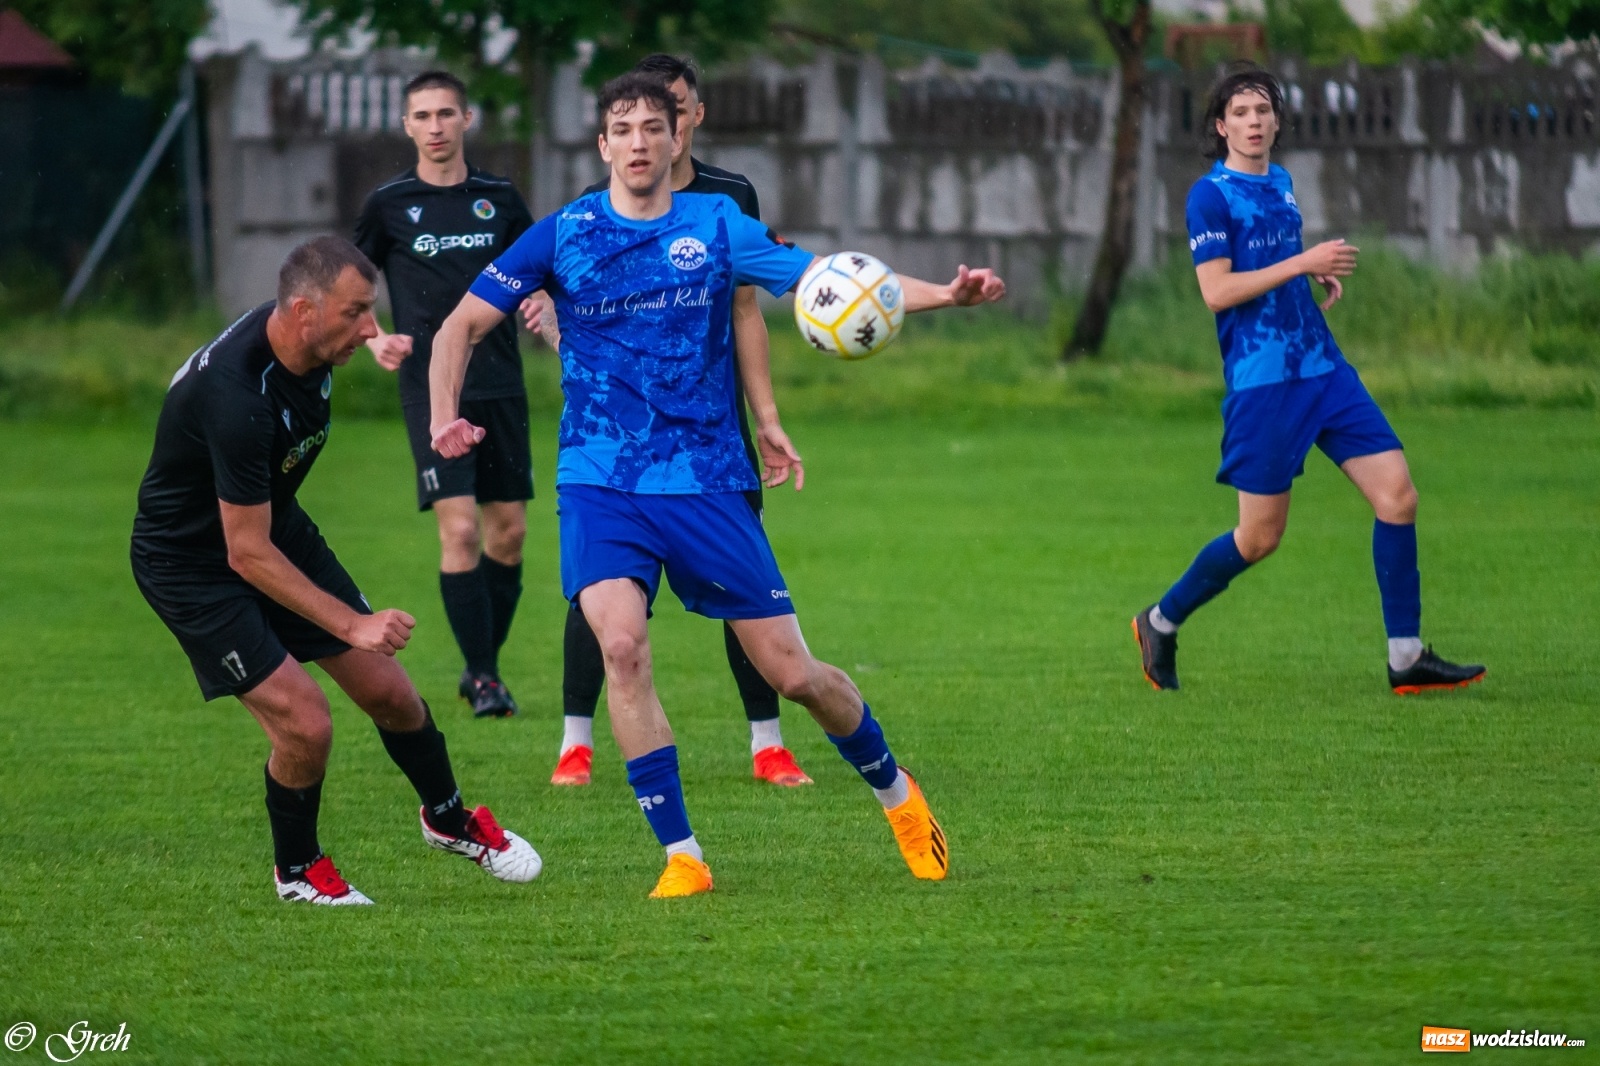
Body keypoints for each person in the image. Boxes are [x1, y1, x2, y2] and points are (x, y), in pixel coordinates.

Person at [430, 74, 1005, 898]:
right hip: (600, 480)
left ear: (676, 140)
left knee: (794, 674)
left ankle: (898, 796)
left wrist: (945, 294)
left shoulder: (717, 225)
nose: (636, 141)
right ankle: (684, 856)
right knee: (622, 646)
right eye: (620, 128)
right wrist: (442, 416)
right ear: (602, 147)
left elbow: (830, 283)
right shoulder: (564, 235)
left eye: (650, 128)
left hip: (706, 478)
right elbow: (461, 323)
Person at [130, 236, 541, 905]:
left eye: (369, 311)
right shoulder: (238, 396)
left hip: (272, 524)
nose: (368, 327)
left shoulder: (305, 339)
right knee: (307, 722)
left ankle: (447, 818)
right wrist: (352, 622)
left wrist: (371, 341)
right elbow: (245, 553)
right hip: (192, 563)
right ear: (302, 313)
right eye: (356, 315)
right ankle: (297, 872)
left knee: (392, 693)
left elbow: (265, 530)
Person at [1131, 65, 1485, 696]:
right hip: (1264, 385)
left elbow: (1269, 264)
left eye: (1264, 110)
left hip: (1323, 368)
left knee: (1398, 496)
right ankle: (1160, 620)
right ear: (1221, 126)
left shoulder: (1284, 182)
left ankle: (1406, 657)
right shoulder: (1208, 197)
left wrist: (1308, 278)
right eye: (1240, 112)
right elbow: (1216, 292)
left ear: (1277, 121)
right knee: (1260, 537)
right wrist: (1304, 260)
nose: (1254, 122)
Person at [527, 53, 811, 789]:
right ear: (611, 139)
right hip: (613, 445)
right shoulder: (599, 205)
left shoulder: (728, 198)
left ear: (691, 120)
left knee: (741, 594)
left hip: (710, 433)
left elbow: (748, 308)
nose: (654, 132)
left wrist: (767, 415)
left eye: (670, 113)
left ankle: (768, 742)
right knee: (604, 601)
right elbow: (573, 309)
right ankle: (576, 740)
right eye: (634, 123)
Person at [354, 70, 535, 718]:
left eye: (445, 114)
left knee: (507, 533)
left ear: (466, 120)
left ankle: (482, 665)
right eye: (422, 116)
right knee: (459, 531)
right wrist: (373, 336)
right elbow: (351, 283)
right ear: (407, 125)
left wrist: (543, 304)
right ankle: (485, 676)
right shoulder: (388, 204)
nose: (434, 127)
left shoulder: (500, 198)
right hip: (432, 393)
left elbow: (536, 270)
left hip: (501, 384)